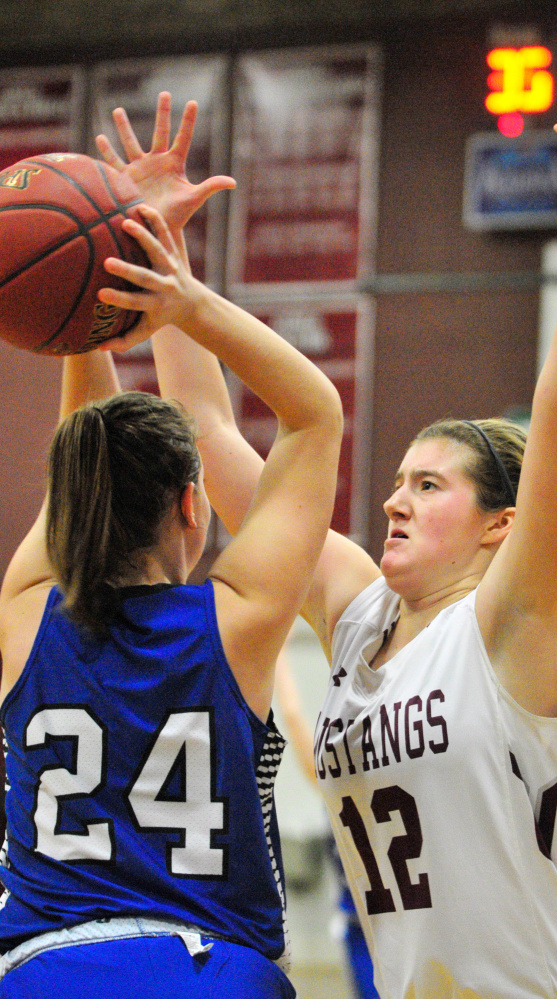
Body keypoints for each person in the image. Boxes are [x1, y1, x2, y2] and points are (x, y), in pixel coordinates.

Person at [102, 94, 557, 999]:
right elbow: (204, 431)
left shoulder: (511, 622)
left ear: (502, 525)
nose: (391, 499)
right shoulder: (357, 615)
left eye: (429, 486)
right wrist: (162, 256)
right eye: (396, 478)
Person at [0, 156, 343, 996]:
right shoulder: (236, 623)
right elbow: (313, 412)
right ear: (193, 506)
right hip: (209, 969)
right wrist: (181, 295)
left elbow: (83, 443)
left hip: (44, 971)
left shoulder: (22, 618)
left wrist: (87, 322)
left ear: (71, 497)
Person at [274, 648, 379, 999]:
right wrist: (278, 659)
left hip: (390, 923)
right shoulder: (332, 777)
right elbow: (291, 715)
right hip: (358, 928)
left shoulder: (382, 777)